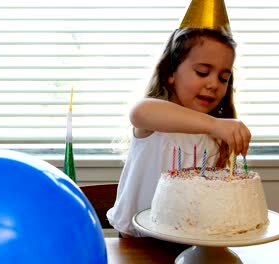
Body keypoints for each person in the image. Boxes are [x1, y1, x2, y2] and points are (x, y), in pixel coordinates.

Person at [106, 26, 252, 237]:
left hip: (198, 243)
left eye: (223, 78)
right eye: (202, 72)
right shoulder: (154, 123)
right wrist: (214, 124)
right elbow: (139, 112)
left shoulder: (216, 139)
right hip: (140, 244)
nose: (213, 84)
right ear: (170, 74)